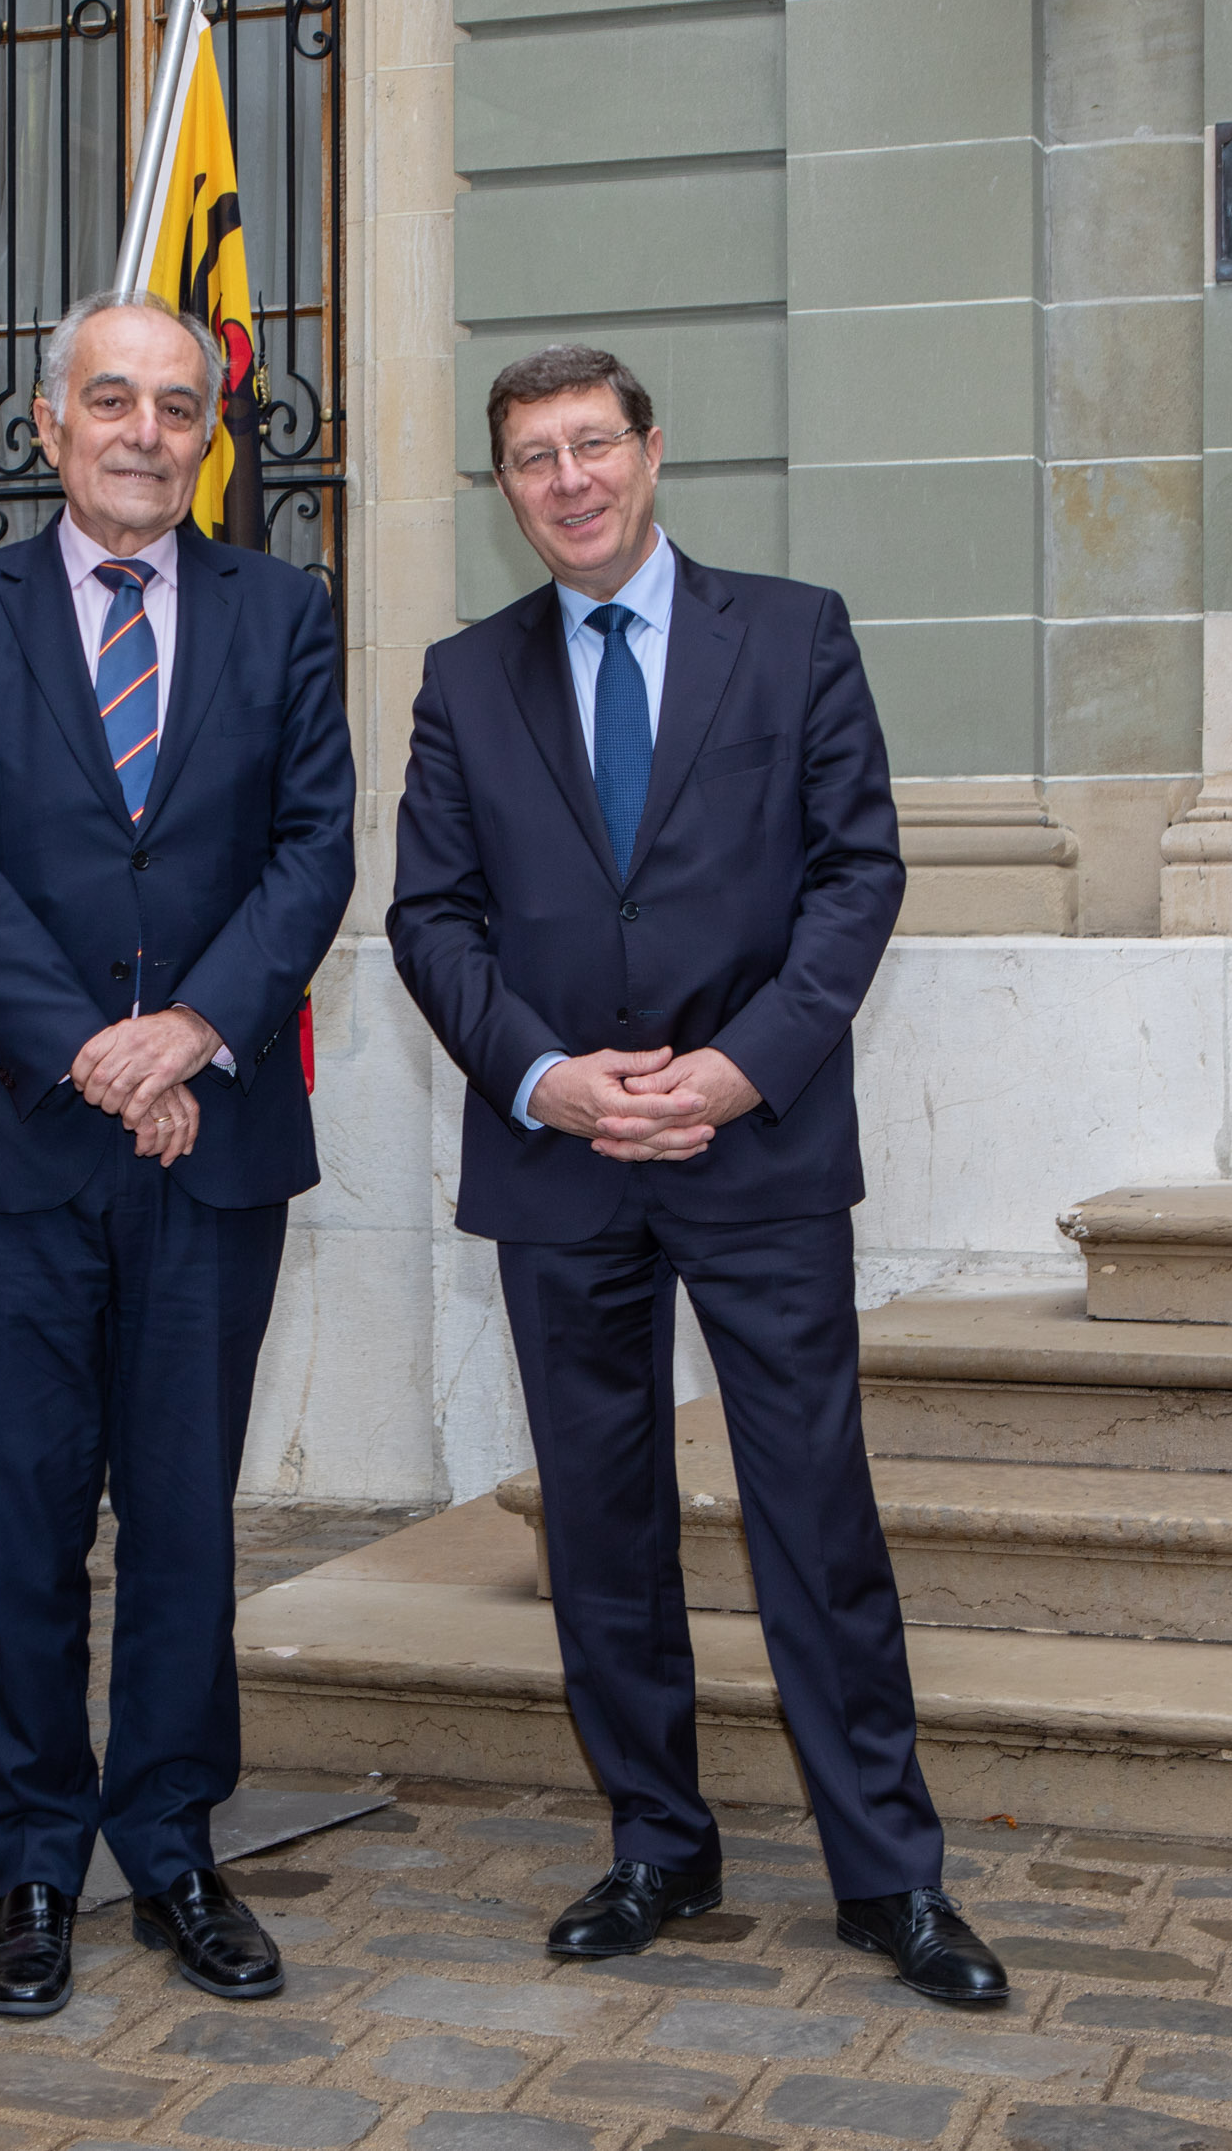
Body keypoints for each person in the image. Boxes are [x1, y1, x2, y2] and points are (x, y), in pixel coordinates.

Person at [384, 345, 1006, 2007]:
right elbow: (428, 918)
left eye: (594, 444)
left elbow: (856, 871)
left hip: (761, 1145)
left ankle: (889, 1871)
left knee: (813, 1509)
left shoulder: (793, 633)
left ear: (654, 454)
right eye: (532, 457)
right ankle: (657, 1841)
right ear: (503, 490)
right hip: (562, 1159)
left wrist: (743, 1068)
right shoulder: (464, 677)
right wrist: (548, 1078)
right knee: (600, 1520)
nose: (569, 478)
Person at [0, 290, 356, 2020]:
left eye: (178, 403)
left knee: (181, 1517)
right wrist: (98, 1047)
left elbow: (314, 851)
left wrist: (195, 1031)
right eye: (112, 399)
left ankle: (170, 1845)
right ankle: (31, 1859)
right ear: (50, 422)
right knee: (19, 1519)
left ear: (207, 431)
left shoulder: (281, 610)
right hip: (17, 1138)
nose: (145, 430)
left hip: (213, 1136)